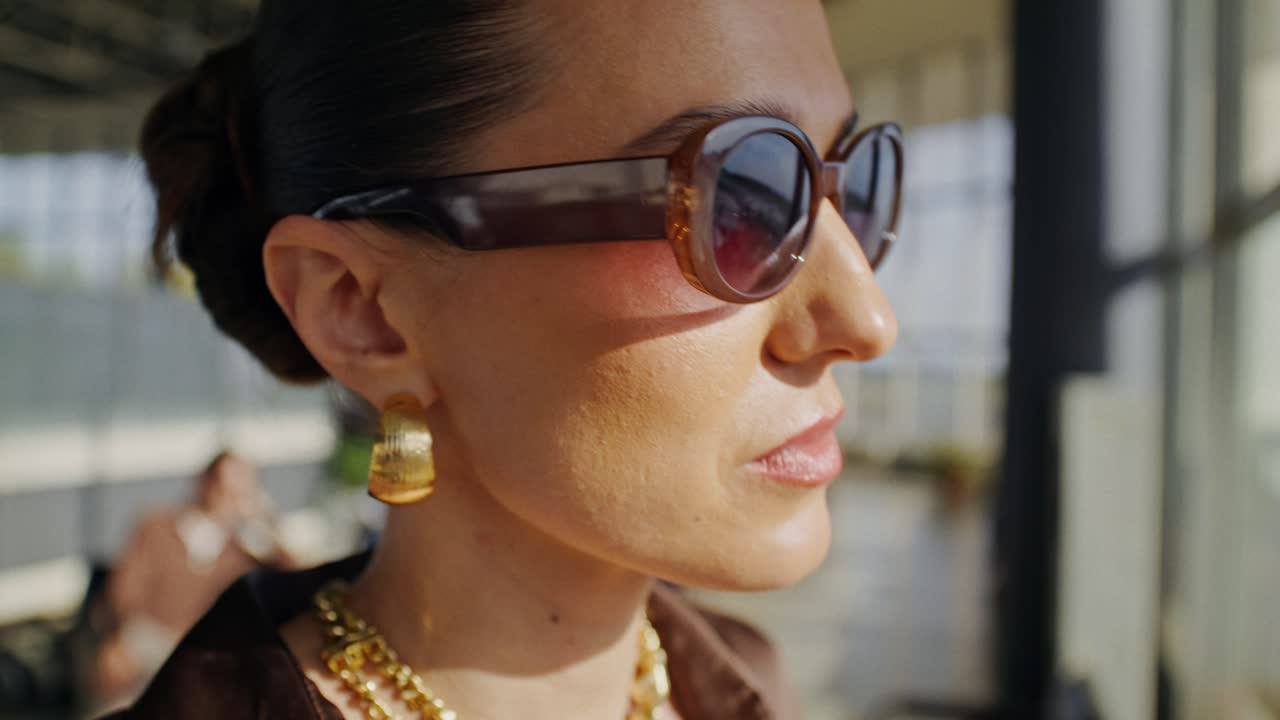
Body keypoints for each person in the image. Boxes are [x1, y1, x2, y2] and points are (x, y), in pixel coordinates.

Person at [111, 1, 902, 717]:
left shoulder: (748, 679)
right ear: (362, 310)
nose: (867, 319)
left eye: (851, 182)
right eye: (738, 197)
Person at [90, 452, 292, 714]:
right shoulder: (157, 526)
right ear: (204, 482)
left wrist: (267, 520)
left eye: (239, 492)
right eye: (222, 486)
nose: (228, 498)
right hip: (144, 640)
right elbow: (122, 593)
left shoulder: (240, 555)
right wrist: (117, 638)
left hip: (197, 655)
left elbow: (297, 577)